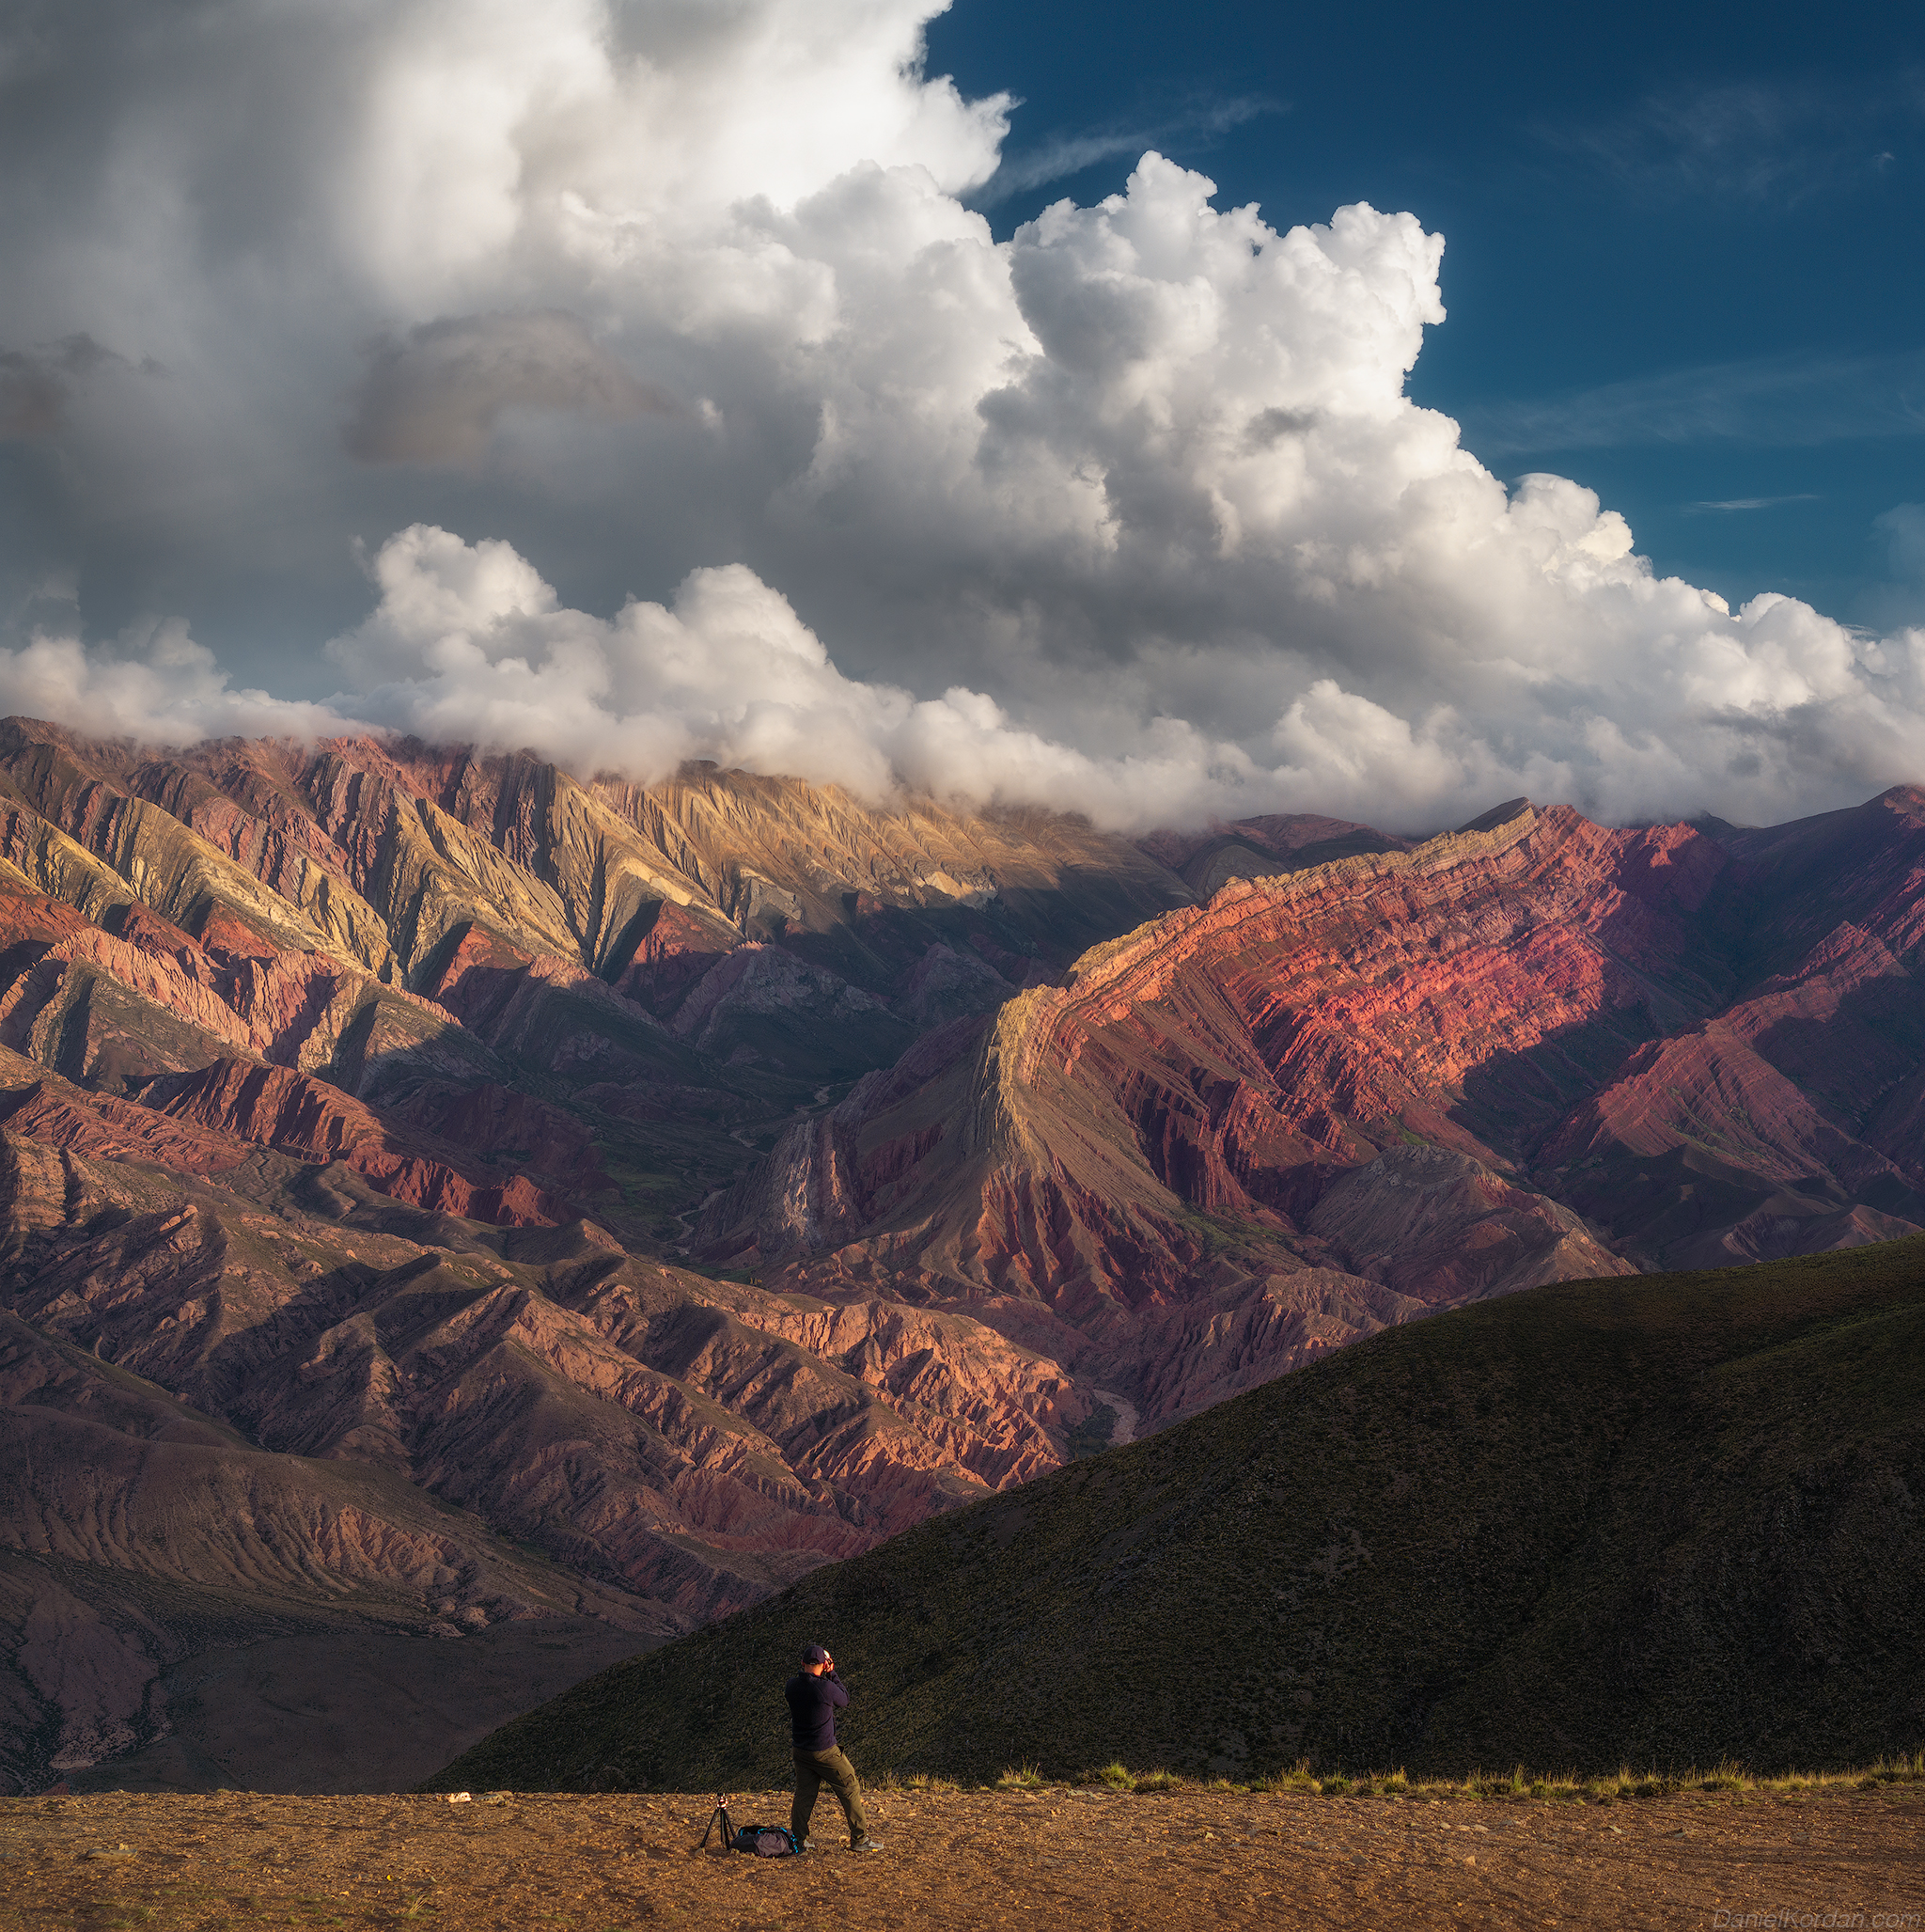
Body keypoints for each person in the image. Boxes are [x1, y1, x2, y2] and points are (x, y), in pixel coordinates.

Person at [784, 1641, 882, 1853]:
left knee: (804, 1794)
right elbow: (844, 1699)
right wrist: (833, 1673)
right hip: (825, 1751)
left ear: (802, 1663)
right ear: (824, 1664)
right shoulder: (825, 1687)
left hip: (800, 1750)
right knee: (850, 1787)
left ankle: (798, 1840)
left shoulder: (791, 1686)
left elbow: (808, 1685)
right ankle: (859, 1839)